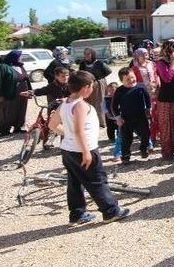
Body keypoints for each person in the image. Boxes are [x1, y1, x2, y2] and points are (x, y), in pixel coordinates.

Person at [47, 70, 129, 225]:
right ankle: (111, 211)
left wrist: (68, 134)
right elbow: (79, 130)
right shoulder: (80, 106)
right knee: (97, 180)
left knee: (75, 182)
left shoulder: (65, 103)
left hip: (68, 149)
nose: (93, 89)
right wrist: (85, 151)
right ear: (85, 88)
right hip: (84, 150)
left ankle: (77, 214)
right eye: (92, 86)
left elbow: (52, 124)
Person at [111, 67, 152, 164]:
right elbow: (114, 105)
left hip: (141, 116)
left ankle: (143, 148)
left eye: (132, 77)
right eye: (127, 79)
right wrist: (118, 117)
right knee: (126, 139)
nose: (131, 80)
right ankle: (125, 156)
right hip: (126, 118)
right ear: (122, 80)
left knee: (145, 134)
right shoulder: (120, 91)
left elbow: (147, 98)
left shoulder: (140, 87)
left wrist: (148, 109)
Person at [0, 50, 32, 136]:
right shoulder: (3, 67)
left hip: (22, 91)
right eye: (20, 56)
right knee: (7, 111)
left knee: (21, 109)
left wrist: (29, 91)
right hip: (9, 92)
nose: (21, 58)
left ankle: (18, 127)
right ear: (14, 57)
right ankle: (5, 129)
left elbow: (26, 79)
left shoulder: (20, 66)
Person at [131, 48, 158, 146]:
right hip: (142, 93)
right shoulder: (135, 67)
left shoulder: (151, 63)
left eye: (146, 54)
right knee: (147, 113)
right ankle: (148, 136)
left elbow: (155, 74)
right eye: (143, 54)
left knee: (155, 113)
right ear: (137, 56)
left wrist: (157, 85)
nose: (146, 56)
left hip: (154, 91)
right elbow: (133, 81)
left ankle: (155, 134)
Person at [78, 48, 111, 128]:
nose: (86, 56)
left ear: (92, 54)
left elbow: (109, 71)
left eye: (88, 54)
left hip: (98, 84)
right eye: (85, 54)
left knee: (99, 102)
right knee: (88, 101)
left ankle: (101, 122)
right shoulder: (83, 64)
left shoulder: (99, 63)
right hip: (87, 84)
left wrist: (99, 77)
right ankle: (90, 121)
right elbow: (81, 73)